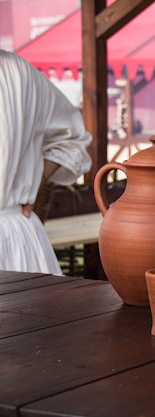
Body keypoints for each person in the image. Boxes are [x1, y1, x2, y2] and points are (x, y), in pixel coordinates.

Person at [0, 50, 92, 274]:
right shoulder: (19, 72)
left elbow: (72, 139)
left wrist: (34, 177)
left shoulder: (18, 73)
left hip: (13, 240)